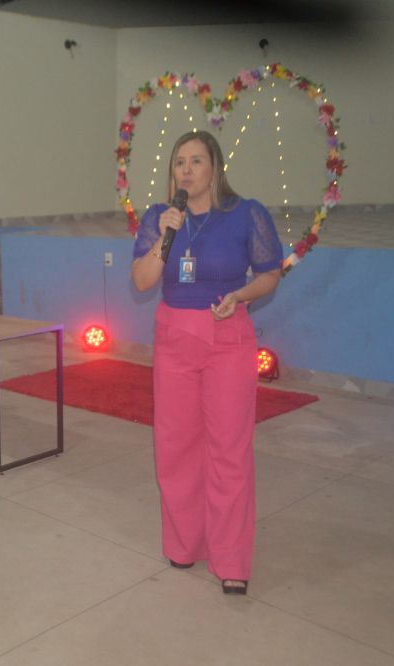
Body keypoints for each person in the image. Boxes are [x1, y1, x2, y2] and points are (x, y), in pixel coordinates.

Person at [130, 130, 283, 596]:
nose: (187, 170)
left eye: (197, 161)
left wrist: (238, 296)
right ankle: (182, 544)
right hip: (174, 337)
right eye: (180, 163)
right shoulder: (159, 217)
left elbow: (270, 274)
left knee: (228, 449)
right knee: (175, 446)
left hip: (227, 335)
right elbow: (141, 282)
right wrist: (164, 240)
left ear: (214, 167)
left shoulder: (246, 214)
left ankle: (231, 559)